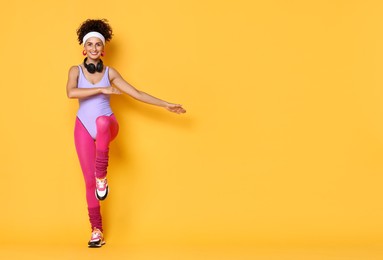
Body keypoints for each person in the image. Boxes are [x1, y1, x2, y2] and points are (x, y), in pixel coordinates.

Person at [66, 19, 186, 248]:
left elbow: (136, 93)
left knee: (101, 121)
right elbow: (71, 93)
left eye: (97, 45)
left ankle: (102, 175)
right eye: (89, 44)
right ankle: (96, 231)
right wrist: (101, 88)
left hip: (107, 125)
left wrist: (165, 104)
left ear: (103, 49)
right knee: (88, 183)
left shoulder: (110, 72)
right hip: (82, 126)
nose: (93, 48)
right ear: (84, 47)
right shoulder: (75, 71)